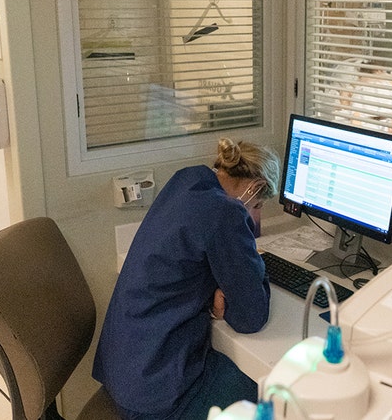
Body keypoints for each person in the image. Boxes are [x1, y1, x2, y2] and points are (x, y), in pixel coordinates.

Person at [93, 138, 280, 419]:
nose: (256, 215)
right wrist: (254, 265)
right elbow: (251, 318)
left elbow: (185, 260)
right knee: (272, 388)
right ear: (256, 187)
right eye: (259, 205)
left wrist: (212, 293)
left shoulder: (187, 179)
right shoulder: (225, 213)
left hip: (123, 367)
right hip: (154, 394)